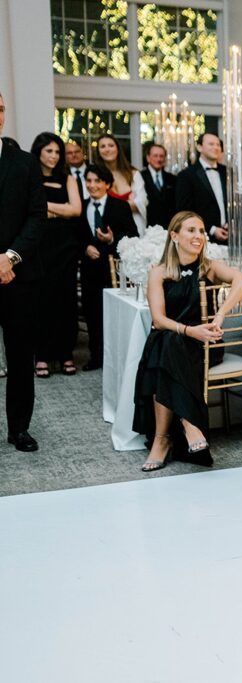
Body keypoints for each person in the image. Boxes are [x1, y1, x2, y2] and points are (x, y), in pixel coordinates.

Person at [134, 211, 242, 471]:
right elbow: (158, 319)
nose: (198, 236)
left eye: (201, 231)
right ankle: (189, 424)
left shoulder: (208, 267)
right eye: (191, 230)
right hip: (178, 340)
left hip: (205, 347)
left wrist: (220, 314)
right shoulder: (159, 272)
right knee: (166, 342)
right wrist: (189, 330)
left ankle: (162, 440)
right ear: (174, 236)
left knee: (163, 348)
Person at [0, 92, 48, 452]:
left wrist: (10, 256)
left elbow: (37, 216)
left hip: (19, 276)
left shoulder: (25, 163)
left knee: (20, 358)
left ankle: (19, 428)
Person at [31, 133, 82, 378]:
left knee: (65, 299)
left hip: (65, 245)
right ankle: (42, 354)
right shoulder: (29, 175)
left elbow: (75, 209)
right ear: (39, 151)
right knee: (41, 298)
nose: (54, 156)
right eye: (49, 151)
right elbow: (25, 208)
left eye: (57, 152)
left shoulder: (68, 178)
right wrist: (57, 210)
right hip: (39, 244)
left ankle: (65, 354)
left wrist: (45, 207)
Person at [79, 164, 139, 371]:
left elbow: (133, 236)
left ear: (107, 184)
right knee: (92, 315)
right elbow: (73, 237)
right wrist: (85, 247)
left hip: (113, 271)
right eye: (89, 181)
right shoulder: (80, 205)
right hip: (89, 271)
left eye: (97, 181)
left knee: (114, 316)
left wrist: (112, 239)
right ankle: (96, 356)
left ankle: (117, 357)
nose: (92, 185)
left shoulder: (120, 206)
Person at [176, 132, 230, 244]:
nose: (215, 147)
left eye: (218, 145)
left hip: (228, 237)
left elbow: (240, 204)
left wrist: (231, 224)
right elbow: (185, 210)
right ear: (199, 147)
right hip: (201, 238)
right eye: (211, 144)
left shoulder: (228, 173)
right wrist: (212, 229)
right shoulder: (187, 175)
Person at [96, 134, 147, 232]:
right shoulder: (95, 176)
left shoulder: (133, 174)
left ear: (118, 149)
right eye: (103, 146)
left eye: (111, 145)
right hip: (107, 229)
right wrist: (129, 203)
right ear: (98, 151)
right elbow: (96, 205)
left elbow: (142, 202)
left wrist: (111, 206)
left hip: (134, 227)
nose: (107, 149)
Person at [140, 142, 177, 229]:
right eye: (155, 156)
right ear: (148, 158)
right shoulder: (140, 177)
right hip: (147, 227)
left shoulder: (173, 179)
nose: (159, 159)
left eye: (161, 156)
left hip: (168, 227)